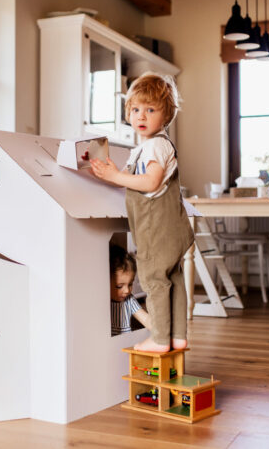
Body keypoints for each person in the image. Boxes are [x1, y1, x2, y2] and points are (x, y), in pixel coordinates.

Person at [91, 72, 194, 352]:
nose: (142, 116)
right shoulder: (143, 149)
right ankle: (177, 336)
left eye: (150, 110)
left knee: (154, 282)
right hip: (172, 230)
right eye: (136, 109)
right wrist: (109, 173)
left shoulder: (155, 146)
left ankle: (160, 339)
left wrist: (114, 177)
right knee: (174, 279)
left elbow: (151, 181)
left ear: (166, 115)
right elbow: (127, 177)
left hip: (157, 231)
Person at [110, 244, 150, 336]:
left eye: (130, 284)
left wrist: (161, 331)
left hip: (125, 345)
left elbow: (146, 319)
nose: (127, 290)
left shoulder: (129, 300)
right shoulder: (103, 301)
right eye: (119, 286)